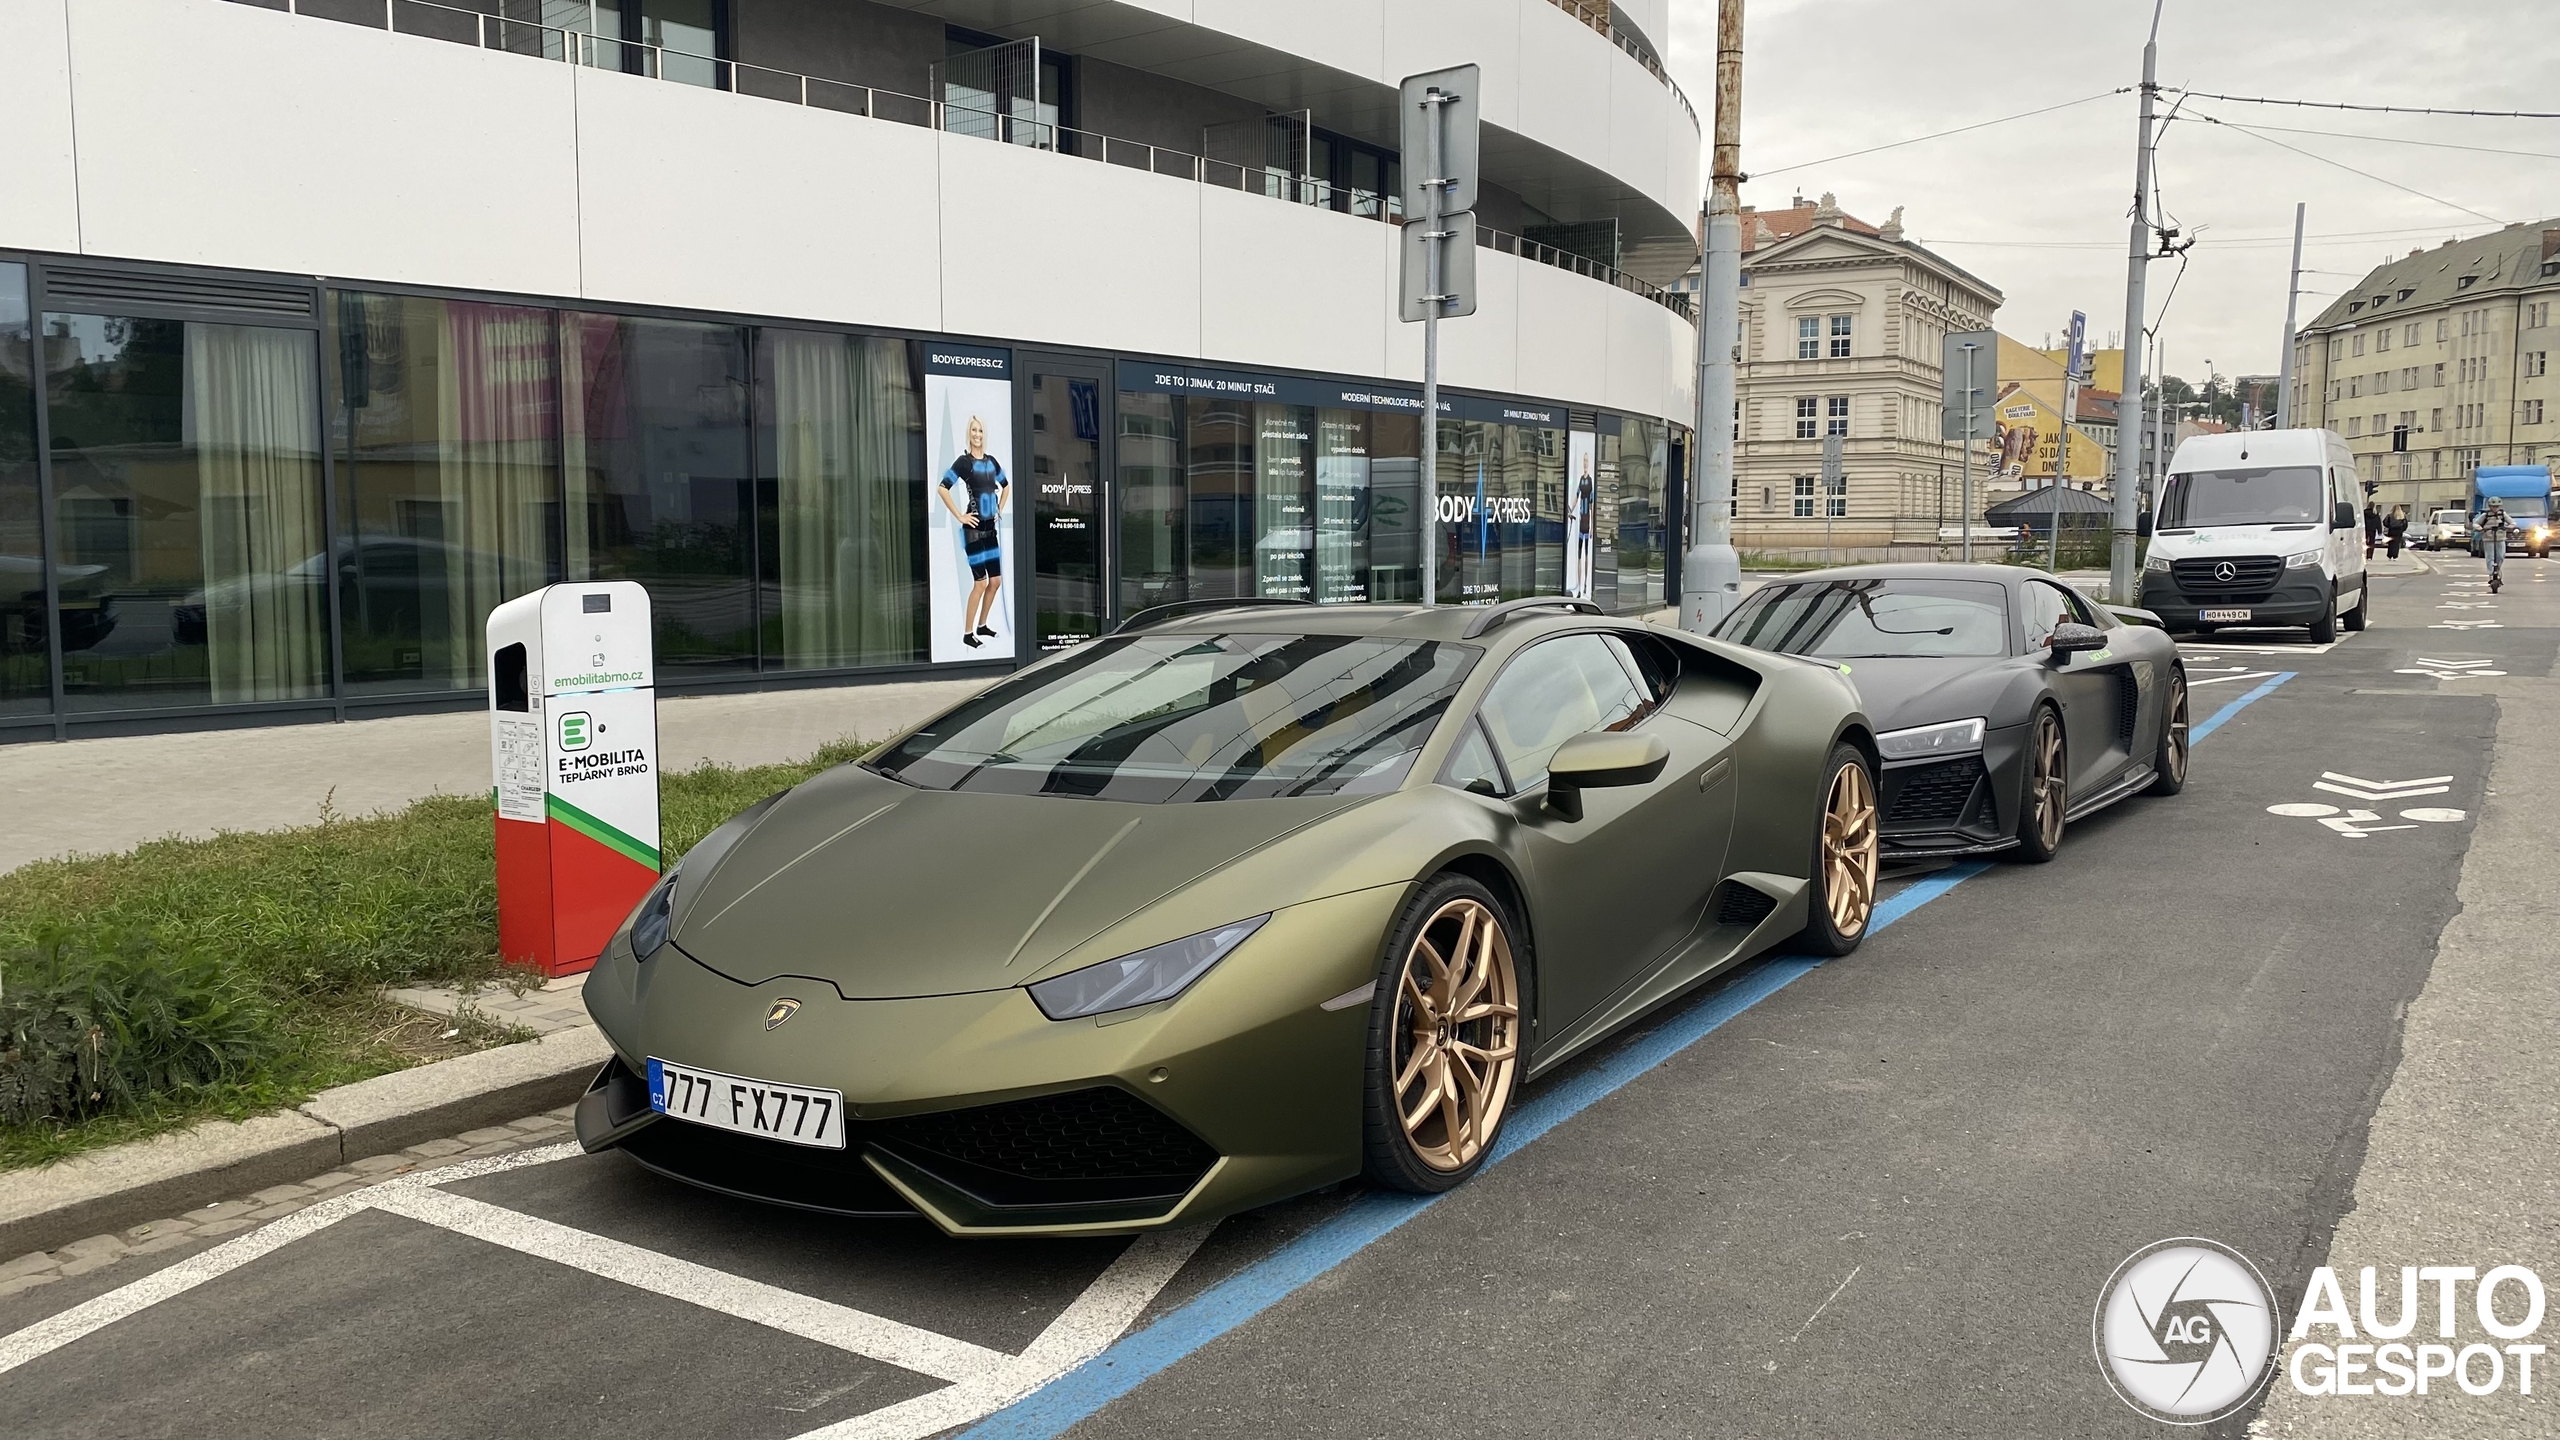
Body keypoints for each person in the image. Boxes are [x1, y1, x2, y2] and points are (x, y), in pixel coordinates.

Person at [936, 416, 1010, 648]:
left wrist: (999, 509)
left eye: (980, 430)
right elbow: (942, 488)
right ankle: (968, 634)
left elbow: (1006, 485)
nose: (977, 434)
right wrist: (960, 515)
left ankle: (982, 625)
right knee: (980, 583)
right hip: (973, 532)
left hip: (991, 532)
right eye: (973, 430)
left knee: (995, 582)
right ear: (969, 434)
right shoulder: (964, 462)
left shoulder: (991, 462)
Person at [2478, 495, 2517, 593]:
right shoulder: (2485, 515)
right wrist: (2480, 528)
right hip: (2488, 538)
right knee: (2490, 557)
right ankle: (2491, 573)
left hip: (2500, 537)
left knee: (2501, 555)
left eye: (2497, 507)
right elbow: (2476, 523)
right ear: (2490, 506)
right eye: (2493, 506)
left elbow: (2512, 522)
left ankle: (2498, 570)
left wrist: (2509, 527)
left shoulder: (2503, 514)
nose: (2495, 509)